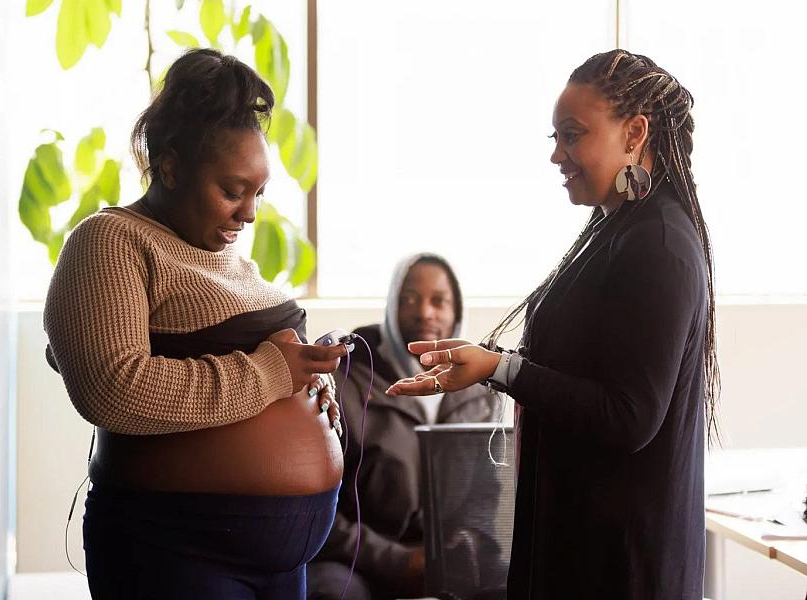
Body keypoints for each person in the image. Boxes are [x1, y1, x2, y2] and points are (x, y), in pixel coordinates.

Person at [387, 49, 719, 600]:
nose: (558, 155)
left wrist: (502, 367)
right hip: (577, 544)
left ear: (634, 133)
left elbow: (630, 416)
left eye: (573, 135)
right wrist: (492, 365)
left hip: (619, 568)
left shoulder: (658, 245)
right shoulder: (615, 229)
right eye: (555, 138)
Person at [43, 48, 348, 600]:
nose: (250, 214)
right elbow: (115, 390)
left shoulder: (231, 260)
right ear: (172, 167)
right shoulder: (109, 242)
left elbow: (265, 362)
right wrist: (273, 376)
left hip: (281, 561)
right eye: (232, 191)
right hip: (174, 549)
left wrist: (310, 375)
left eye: (258, 194)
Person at [307, 254, 499, 600]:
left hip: (447, 558)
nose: (425, 312)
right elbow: (322, 510)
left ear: (457, 310)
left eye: (438, 301)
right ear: (391, 305)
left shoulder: (480, 392)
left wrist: (459, 552)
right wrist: (398, 560)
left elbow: (488, 498)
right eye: (409, 299)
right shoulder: (346, 379)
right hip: (358, 559)